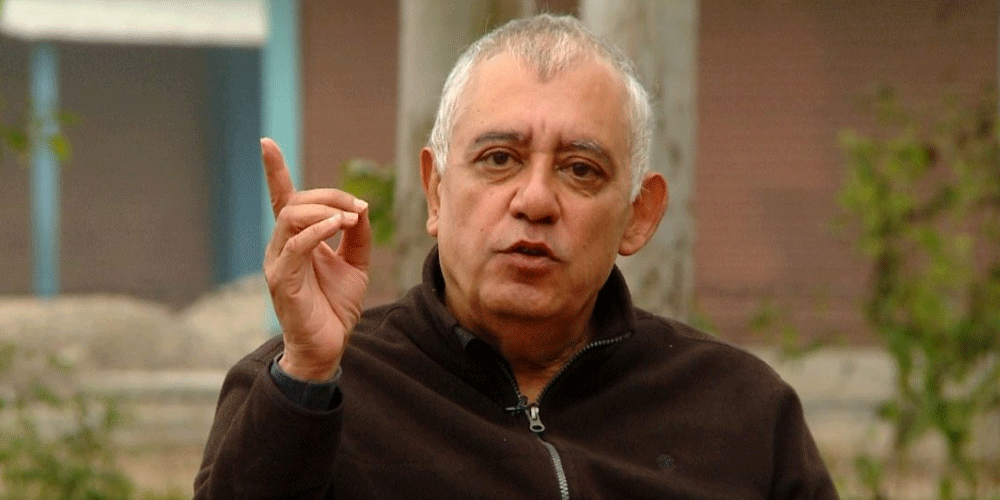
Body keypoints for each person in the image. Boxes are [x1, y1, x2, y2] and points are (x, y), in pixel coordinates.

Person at [194, 14, 838, 500]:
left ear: (639, 215)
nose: (535, 201)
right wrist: (307, 375)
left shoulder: (741, 411)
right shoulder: (309, 391)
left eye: (580, 169)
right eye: (499, 159)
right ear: (436, 191)